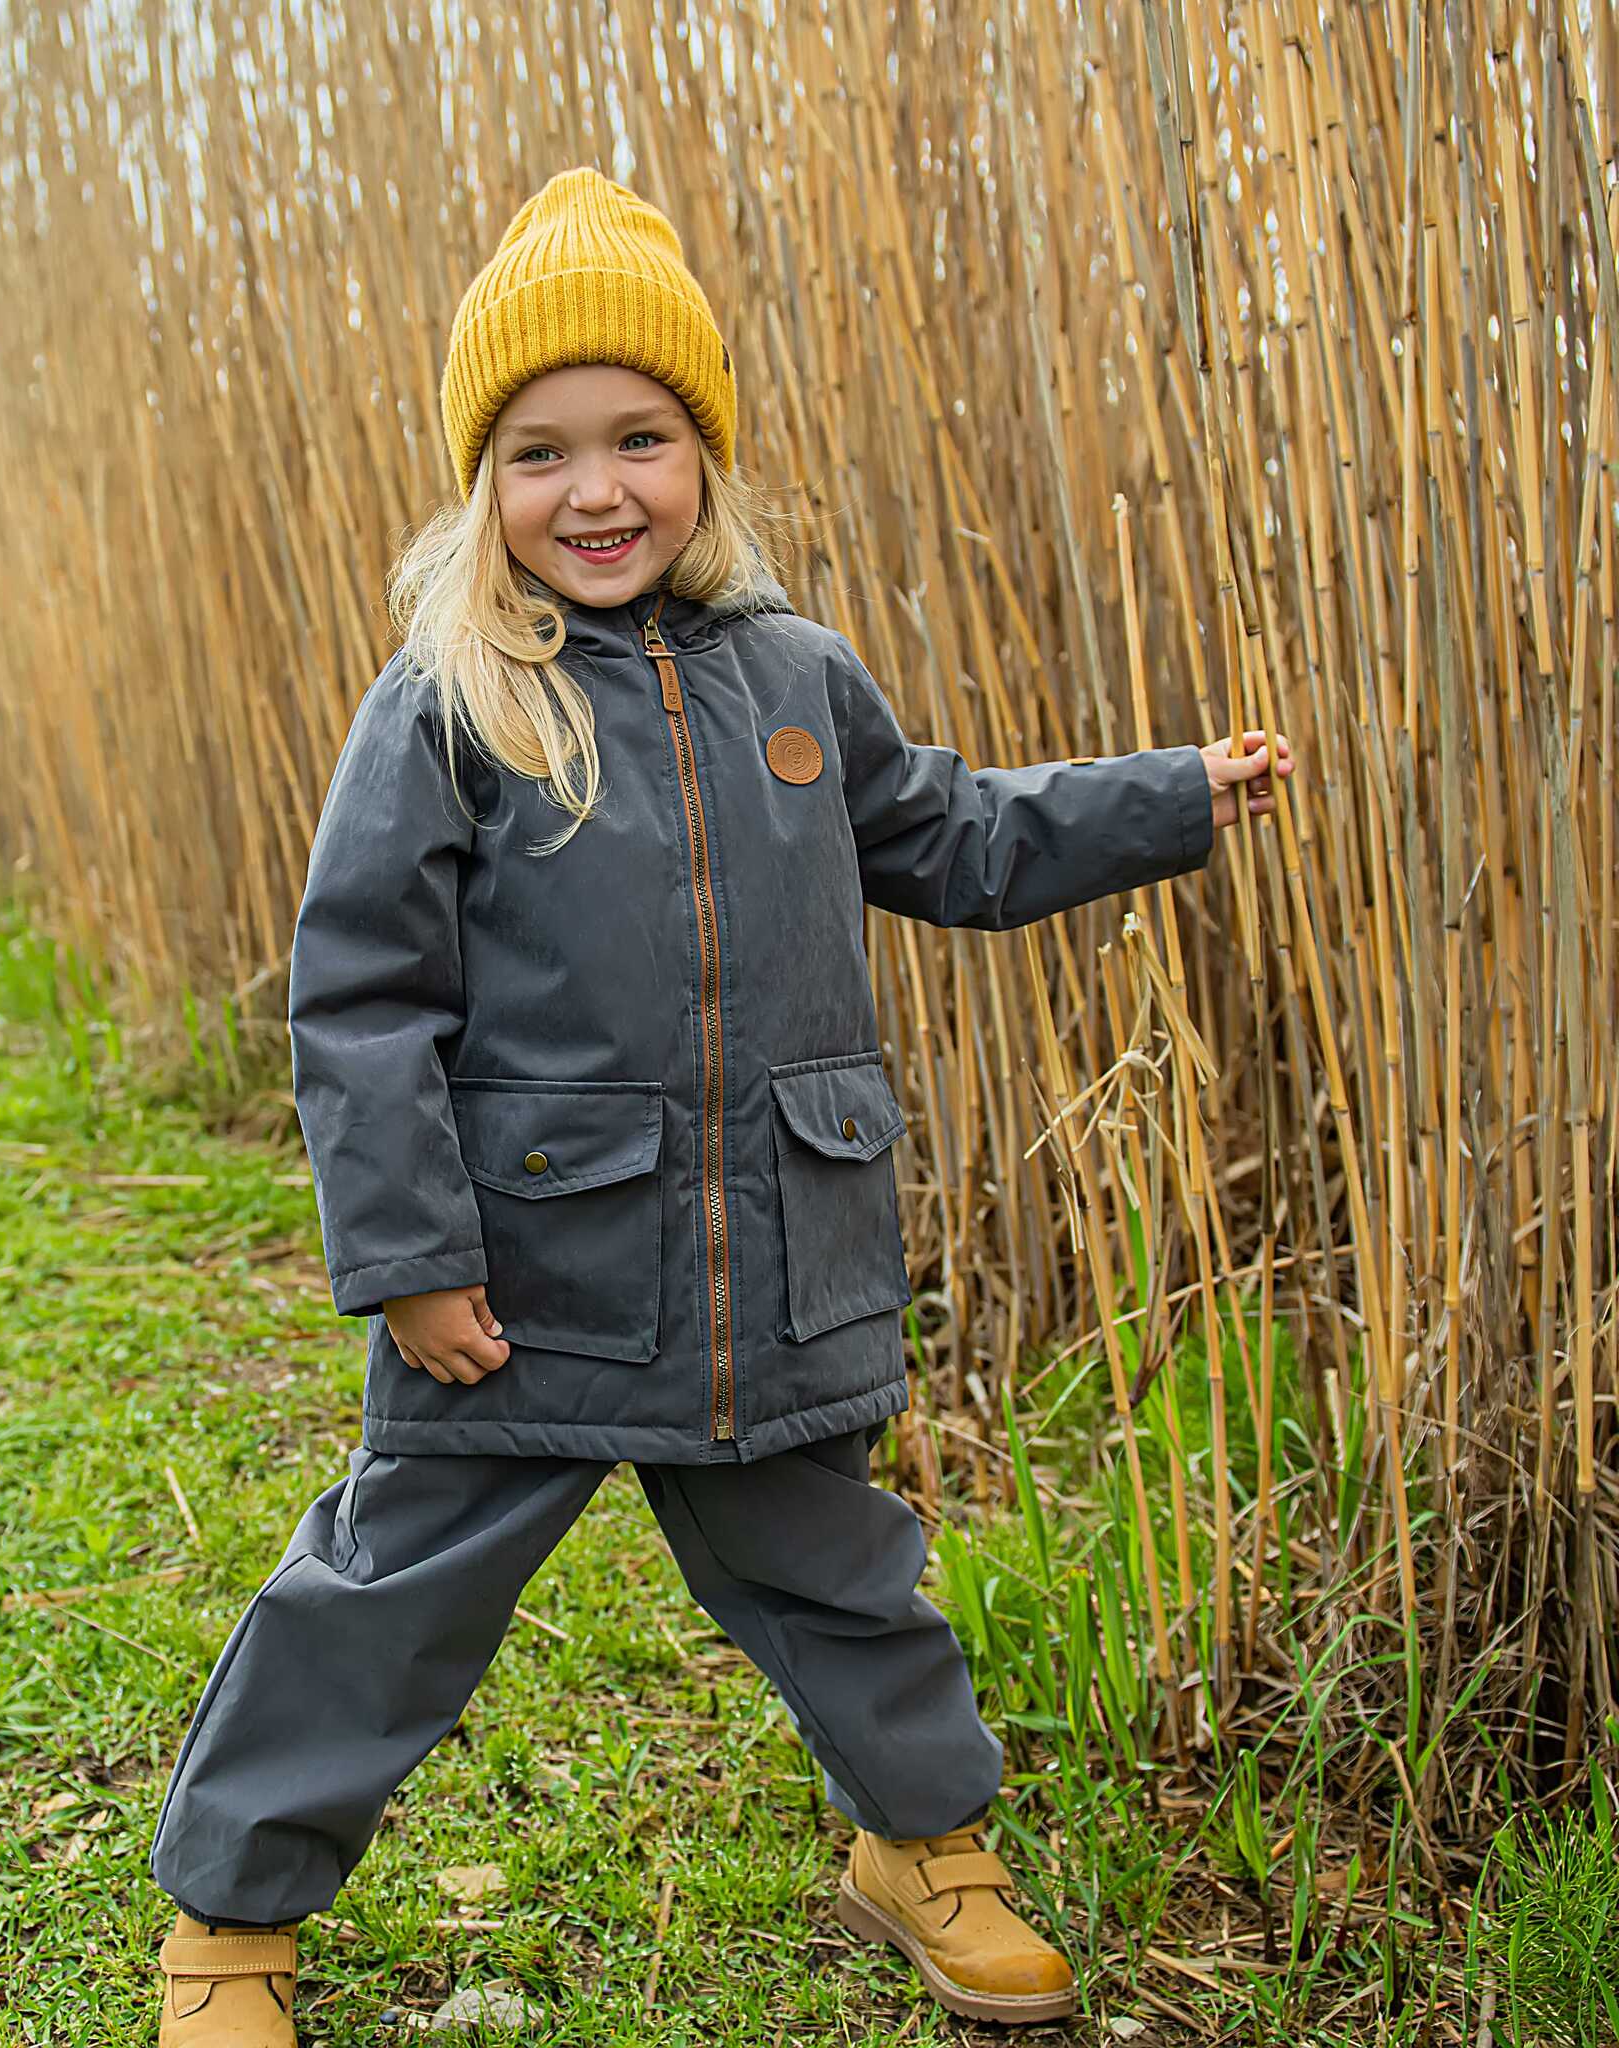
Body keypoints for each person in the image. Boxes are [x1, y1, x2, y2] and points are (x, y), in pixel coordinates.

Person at [147, 166, 1295, 2044]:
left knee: (848, 1581)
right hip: (524, 1288)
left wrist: (1171, 792)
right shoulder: (448, 704)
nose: (595, 490)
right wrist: (411, 1264)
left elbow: (960, 834)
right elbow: (357, 1003)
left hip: (775, 1263)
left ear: (705, 457)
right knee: (381, 1606)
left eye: (640, 439)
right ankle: (230, 1924)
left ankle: (919, 1842)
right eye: (538, 452)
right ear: (480, 483)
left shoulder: (794, 676)